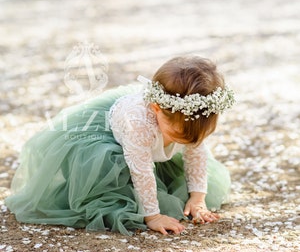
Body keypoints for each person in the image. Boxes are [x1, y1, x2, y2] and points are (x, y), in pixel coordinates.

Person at [5, 55, 235, 236]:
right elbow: (142, 169)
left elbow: (195, 153)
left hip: (156, 134)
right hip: (108, 138)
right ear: (156, 109)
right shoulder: (138, 123)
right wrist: (152, 216)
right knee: (116, 181)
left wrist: (198, 197)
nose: (187, 142)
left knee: (184, 161)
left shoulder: (193, 117)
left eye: (196, 136)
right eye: (178, 134)